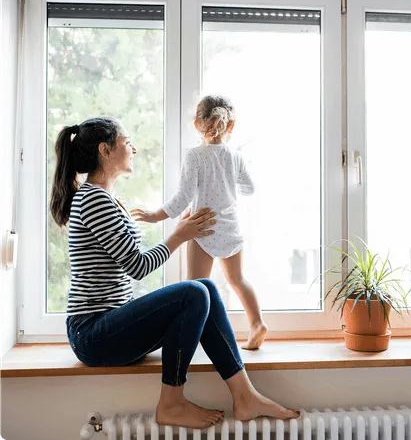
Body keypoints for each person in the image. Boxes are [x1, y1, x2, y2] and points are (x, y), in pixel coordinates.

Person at [50, 117, 299, 429]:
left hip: (108, 326)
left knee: (204, 287)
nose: (134, 149)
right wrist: (179, 236)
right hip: (92, 334)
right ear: (105, 150)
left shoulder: (105, 199)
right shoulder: (94, 199)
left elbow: (127, 260)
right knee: (193, 292)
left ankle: (245, 396)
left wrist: (180, 230)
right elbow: (138, 266)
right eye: (127, 142)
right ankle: (172, 402)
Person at [132, 95, 267, 350]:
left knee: (195, 288)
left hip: (202, 227)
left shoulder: (194, 156)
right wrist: (226, 182)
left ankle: (196, 338)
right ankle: (257, 323)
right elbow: (249, 188)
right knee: (237, 279)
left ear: (197, 124)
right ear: (231, 126)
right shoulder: (235, 156)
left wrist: (154, 216)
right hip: (231, 227)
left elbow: (182, 198)